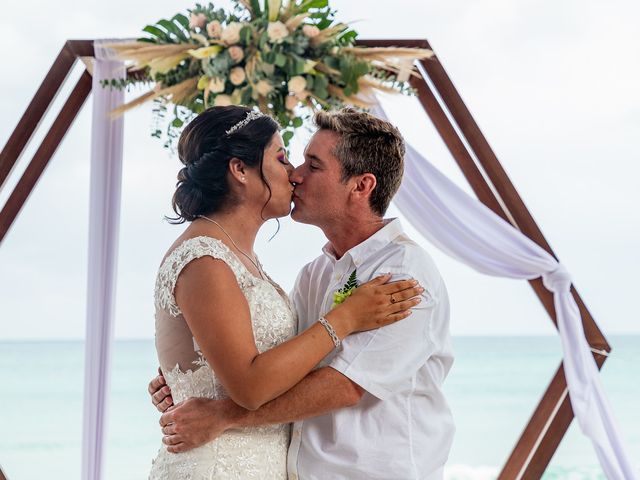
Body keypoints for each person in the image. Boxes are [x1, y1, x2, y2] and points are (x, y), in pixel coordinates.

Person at [151, 108, 455, 479]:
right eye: (285, 159)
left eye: (313, 165)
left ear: (361, 186)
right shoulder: (315, 274)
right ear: (239, 171)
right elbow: (277, 362)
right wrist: (189, 373)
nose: (295, 174)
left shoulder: (404, 273)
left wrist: (221, 413)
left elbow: (345, 386)